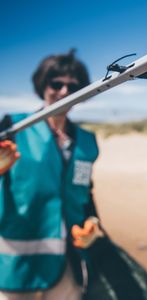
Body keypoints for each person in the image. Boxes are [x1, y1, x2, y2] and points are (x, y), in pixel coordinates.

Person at [0, 50, 103, 300]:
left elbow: (84, 191)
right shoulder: (12, 128)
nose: (64, 92)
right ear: (43, 85)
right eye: (56, 83)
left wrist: (92, 223)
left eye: (73, 86)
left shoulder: (86, 142)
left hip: (69, 260)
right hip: (14, 261)